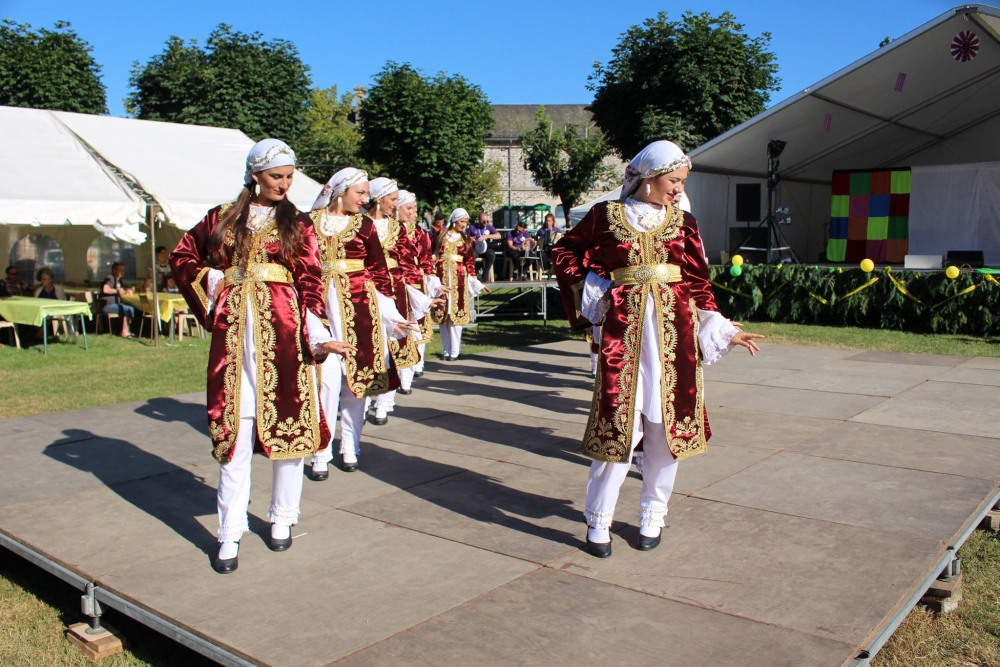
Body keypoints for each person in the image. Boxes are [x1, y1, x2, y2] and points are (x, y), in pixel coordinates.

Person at [552, 140, 764, 559]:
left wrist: (720, 329)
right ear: (649, 176)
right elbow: (564, 251)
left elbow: (698, 283)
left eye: (682, 182)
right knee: (620, 429)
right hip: (623, 338)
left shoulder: (684, 222)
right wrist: (596, 285)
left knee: (666, 432)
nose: (677, 189)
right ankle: (599, 518)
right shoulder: (604, 216)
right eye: (673, 180)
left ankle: (653, 510)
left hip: (674, 337)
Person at [169, 138, 344, 574]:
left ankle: (283, 516)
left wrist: (317, 333)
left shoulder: (299, 224)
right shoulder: (222, 217)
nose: (284, 184)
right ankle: (229, 533)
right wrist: (214, 280)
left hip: (283, 337)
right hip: (233, 337)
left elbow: (309, 281)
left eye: (288, 176)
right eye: (275, 176)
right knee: (237, 430)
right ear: (254, 175)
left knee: (288, 424)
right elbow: (181, 255)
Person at [306, 168, 413, 479]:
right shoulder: (309, 224)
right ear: (340, 191)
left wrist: (392, 316)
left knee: (357, 385)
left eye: (368, 194)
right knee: (324, 383)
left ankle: (351, 446)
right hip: (319, 308)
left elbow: (379, 273)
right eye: (360, 193)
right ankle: (320, 452)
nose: (365, 200)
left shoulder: (364, 226)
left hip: (358, 310)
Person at [367, 178, 428, 426]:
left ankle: (384, 402)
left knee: (395, 341)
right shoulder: (360, 225)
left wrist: (416, 292)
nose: (394, 205)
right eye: (392, 199)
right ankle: (369, 391)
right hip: (366, 287)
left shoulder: (396, 230)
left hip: (394, 286)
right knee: (371, 342)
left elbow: (406, 263)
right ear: (378, 199)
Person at [431, 209, 486, 360]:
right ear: (454, 220)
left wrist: (475, 282)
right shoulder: (440, 236)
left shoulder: (466, 240)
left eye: (465, 222)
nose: (464, 225)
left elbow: (469, 263)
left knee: (455, 318)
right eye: (462, 221)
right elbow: (433, 253)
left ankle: (456, 350)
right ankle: (446, 350)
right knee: (443, 317)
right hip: (442, 278)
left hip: (458, 280)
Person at [34, 267, 75, 338]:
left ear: (50, 280)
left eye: (44, 279)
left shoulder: (58, 289)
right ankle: (41, 333)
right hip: (42, 310)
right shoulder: (39, 290)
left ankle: (41, 334)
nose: (42, 281)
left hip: (56, 310)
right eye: (41, 279)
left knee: (47, 316)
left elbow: (62, 301)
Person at [100, 262, 137, 338]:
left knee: (131, 307)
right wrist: (117, 291)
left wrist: (127, 290)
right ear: (114, 270)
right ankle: (124, 332)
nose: (122, 271)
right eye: (120, 270)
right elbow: (105, 289)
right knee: (128, 309)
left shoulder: (119, 280)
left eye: (123, 270)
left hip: (116, 304)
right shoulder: (110, 278)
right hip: (108, 305)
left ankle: (126, 330)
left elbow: (122, 289)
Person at [468, 212, 501, 280]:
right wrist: (470, 238)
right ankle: (473, 274)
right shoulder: (472, 227)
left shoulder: (489, 227)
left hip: (486, 247)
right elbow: (465, 237)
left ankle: (485, 274)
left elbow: (499, 236)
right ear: (479, 220)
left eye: (487, 221)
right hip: (476, 247)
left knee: (491, 254)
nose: (486, 223)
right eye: (484, 221)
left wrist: (487, 236)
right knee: (472, 254)